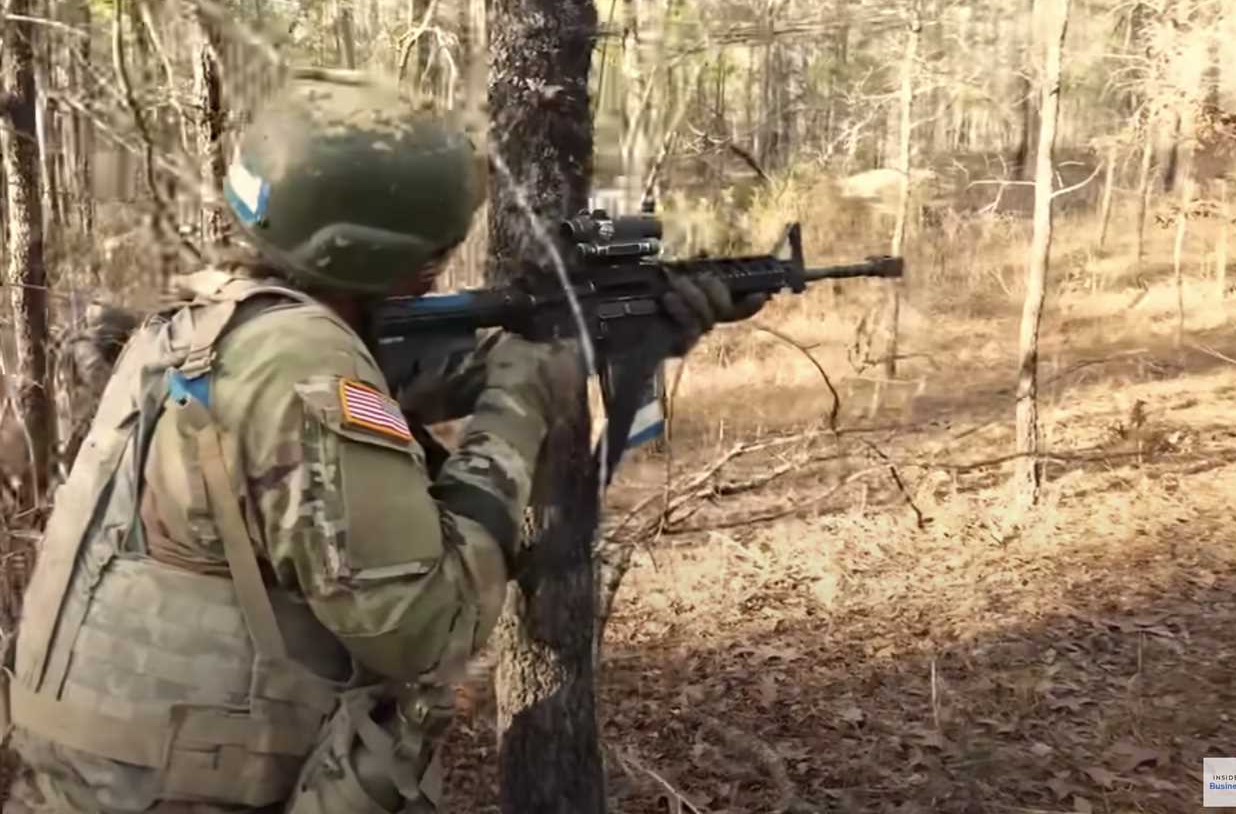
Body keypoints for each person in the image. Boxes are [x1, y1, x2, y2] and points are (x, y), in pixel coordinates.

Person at [0, 75, 764, 814]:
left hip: (90, 782)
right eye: (426, 262)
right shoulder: (299, 364)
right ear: (361, 250)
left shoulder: (200, 326)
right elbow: (428, 630)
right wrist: (518, 400)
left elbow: (367, 402)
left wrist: (603, 339)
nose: (431, 282)